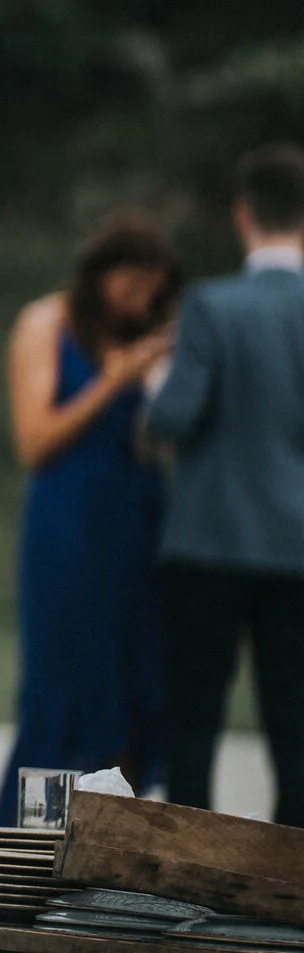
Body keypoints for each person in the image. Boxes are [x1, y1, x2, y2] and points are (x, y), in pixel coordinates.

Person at [0, 212, 180, 825]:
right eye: (130, 284)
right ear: (101, 275)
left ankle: (109, 847)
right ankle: (33, 842)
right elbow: (34, 440)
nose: (139, 299)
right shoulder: (47, 322)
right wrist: (112, 381)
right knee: (64, 681)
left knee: (134, 679)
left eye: (153, 288)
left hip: (140, 523)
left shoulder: (156, 334)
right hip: (69, 524)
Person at [146, 144, 304, 823]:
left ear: (244, 216)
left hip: (210, 537)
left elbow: (174, 416)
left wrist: (155, 384)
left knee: (194, 713)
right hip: (297, 546)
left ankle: (189, 869)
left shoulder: (213, 304)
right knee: (295, 717)